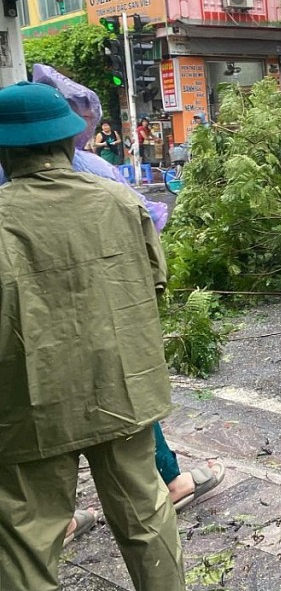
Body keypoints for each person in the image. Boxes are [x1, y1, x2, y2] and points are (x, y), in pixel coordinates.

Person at [0, 82, 184, 591]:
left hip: (27, 402)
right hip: (121, 384)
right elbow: (156, 280)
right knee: (145, 512)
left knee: (27, 533)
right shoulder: (121, 201)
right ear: (66, 142)